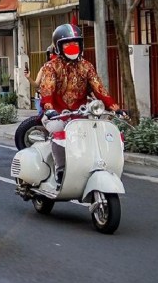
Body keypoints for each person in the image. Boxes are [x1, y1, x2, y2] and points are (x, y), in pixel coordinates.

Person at [38, 24, 122, 183]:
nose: (72, 48)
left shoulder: (86, 66)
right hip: (57, 114)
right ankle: (61, 168)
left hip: (81, 113)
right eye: (68, 44)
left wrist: (116, 108)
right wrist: (49, 110)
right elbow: (47, 90)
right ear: (58, 46)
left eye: (76, 44)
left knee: (99, 129)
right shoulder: (51, 67)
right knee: (58, 131)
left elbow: (99, 89)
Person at [24, 44, 56, 113]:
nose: (51, 55)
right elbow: (36, 84)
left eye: (53, 53)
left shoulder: (63, 68)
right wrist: (28, 77)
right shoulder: (44, 68)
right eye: (49, 53)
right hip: (45, 102)